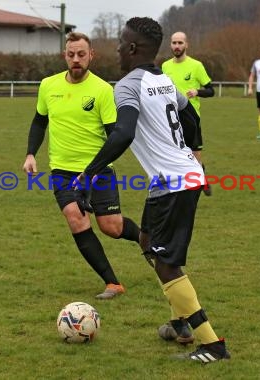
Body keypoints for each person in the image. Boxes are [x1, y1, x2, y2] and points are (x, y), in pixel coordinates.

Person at [77, 17, 230, 364]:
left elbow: (124, 133)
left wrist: (90, 172)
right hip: (175, 179)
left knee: (166, 263)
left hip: (173, 182)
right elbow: (191, 119)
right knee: (148, 243)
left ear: (132, 48)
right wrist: (197, 162)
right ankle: (180, 324)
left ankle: (212, 345)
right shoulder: (164, 80)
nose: (116, 49)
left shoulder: (127, 86)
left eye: (120, 43)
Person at [22, 32, 141, 300]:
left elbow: (115, 135)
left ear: (91, 56)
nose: (76, 59)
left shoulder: (102, 90)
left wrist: (93, 170)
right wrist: (31, 153)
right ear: (65, 55)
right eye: (71, 54)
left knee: (112, 227)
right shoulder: (48, 86)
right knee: (75, 219)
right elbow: (40, 121)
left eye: (81, 54)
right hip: (62, 171)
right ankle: (112, 283)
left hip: (97, 171)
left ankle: (149, 241)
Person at [162, 31, 214, 196]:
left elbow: (211, 90)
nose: (176, 46)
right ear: (170, 45)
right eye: (174, 43)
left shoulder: (196, 66)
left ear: (186, 45)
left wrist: (197, 91)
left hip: (191, 117)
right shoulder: (165, 66)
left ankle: (201, 175)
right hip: (171, 117)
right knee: (173, 153)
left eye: (180, 43)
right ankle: (179, 186)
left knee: (194, 154)